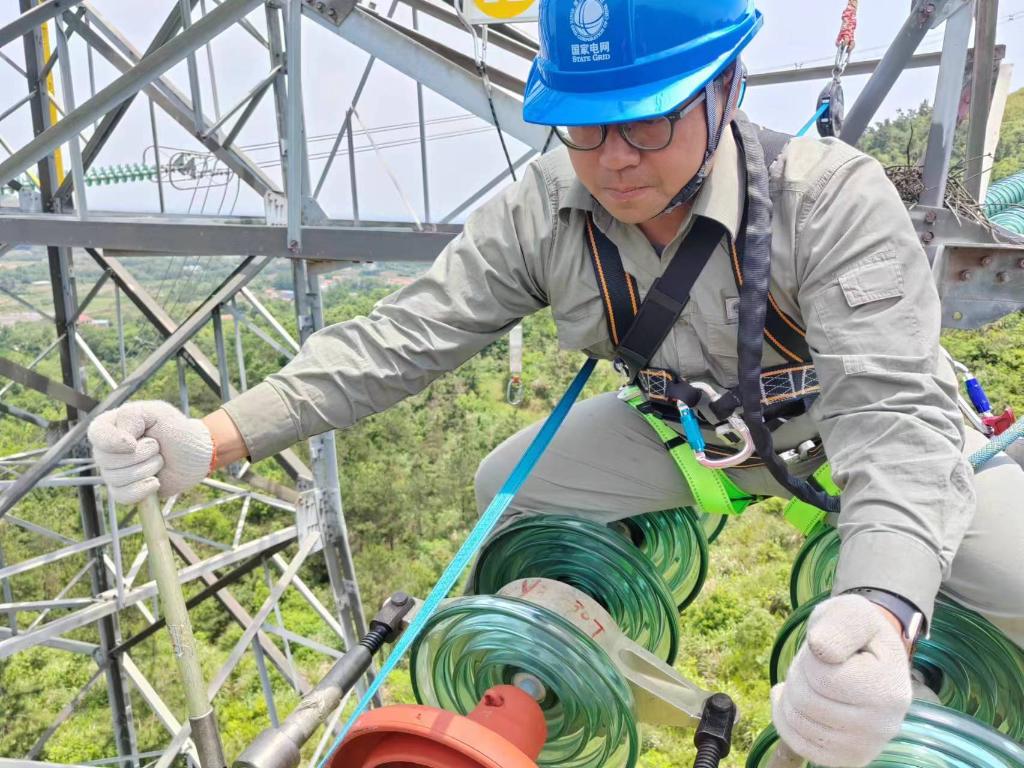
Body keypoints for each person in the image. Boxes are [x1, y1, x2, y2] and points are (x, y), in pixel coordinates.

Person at [87, 1, 1024, 765]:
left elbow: (891, 415)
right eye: (583, 122)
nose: (614, 157)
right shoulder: (545, 210)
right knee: (510, 487)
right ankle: (596, 622)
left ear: (726, 87)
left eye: (648, 117)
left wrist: (884, 609)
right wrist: (213, 438)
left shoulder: (828, 198)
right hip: (692, 439)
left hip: (848, 435)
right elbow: (401, 339)